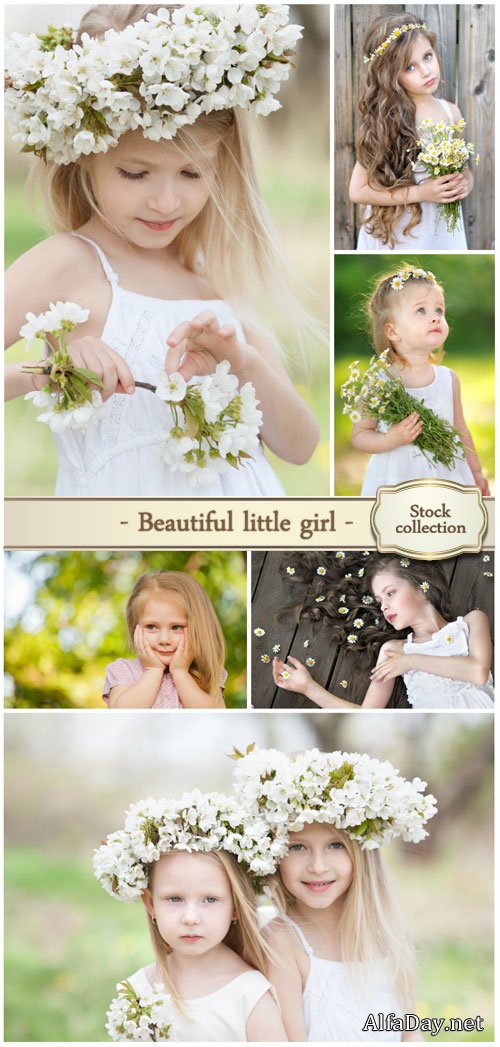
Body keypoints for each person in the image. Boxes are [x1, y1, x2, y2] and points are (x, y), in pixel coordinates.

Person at [5, 4, 320, 496]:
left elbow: (299, 447)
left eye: (192, 174)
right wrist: (47, 374)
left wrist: (242, 364)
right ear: (84, 157)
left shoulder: (212, 280)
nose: (167, 201)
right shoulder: (67, 263)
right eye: (136, 173)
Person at [232, 747, 437, 1041]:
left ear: (363, 853)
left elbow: (409, 1035)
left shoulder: (386, 935)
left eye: (336, 845)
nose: (317, 866)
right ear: (275, 853)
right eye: (297, 847)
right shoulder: (281, 943)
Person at [94, 792, 287, 1041]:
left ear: (236, 907)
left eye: (210, 900)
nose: (191, 917)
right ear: (150, 903)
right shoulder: (137, 990)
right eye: (174, 899)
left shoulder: (249, 994)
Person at [272, 553, 494, 710]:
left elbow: (477, 672)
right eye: (379, 601)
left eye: (390, 593)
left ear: (422, 586)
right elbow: (368, 714)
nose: (384, 606)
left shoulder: (472, 622)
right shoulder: (393, 651)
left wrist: (410, 662)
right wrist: (308, 687)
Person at [350, 266, 489, 495]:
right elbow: (360, 435)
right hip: (397, 482)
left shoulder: (448, 379)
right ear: (393, 332)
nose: (435, 316)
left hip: (446, 476)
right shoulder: (380, 382)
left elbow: (460, 429)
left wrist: (475, 473)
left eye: (439, 310)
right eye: (421, 311)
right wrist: (390, 439)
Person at [349, 13, 472, 251]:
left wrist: (464, 183)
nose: (426, 71)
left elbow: (464, 170)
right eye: (410, 67)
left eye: (427, 57)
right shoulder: (385, 122)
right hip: (400, 232)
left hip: (442, 230)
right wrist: (421, 192)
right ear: (391, 75)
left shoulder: (451, 114)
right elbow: (357, 191)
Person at [103, 572, 227, 709]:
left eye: (176, 627)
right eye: (151, 626)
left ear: (198, 629)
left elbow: (216, 719)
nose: (164, 640)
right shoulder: (123, 670)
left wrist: (180, 673)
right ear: (134, 628)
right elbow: (121, 717)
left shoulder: (208, 672)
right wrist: (153, 670)